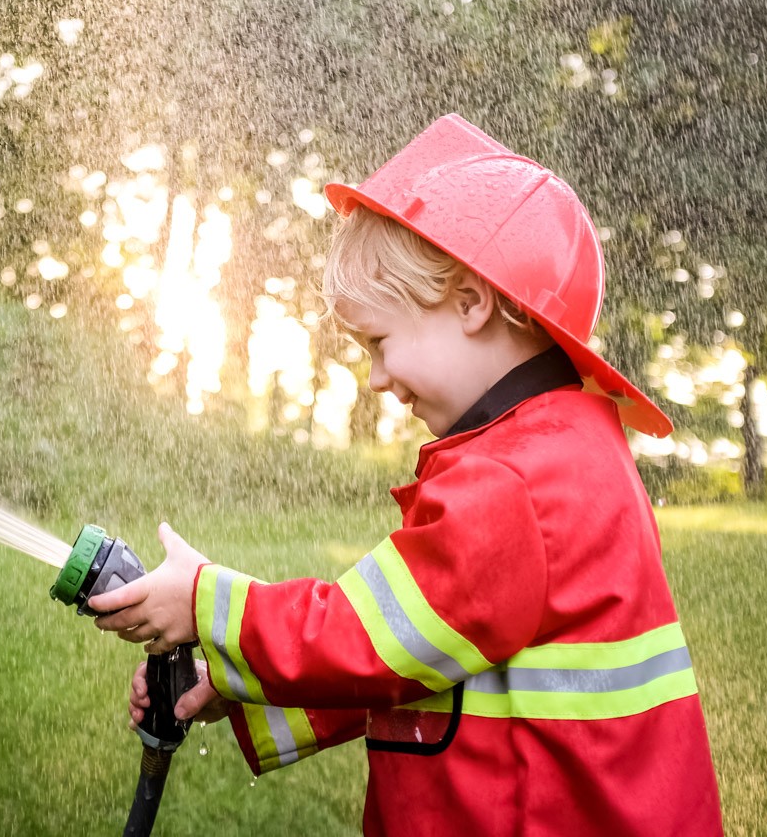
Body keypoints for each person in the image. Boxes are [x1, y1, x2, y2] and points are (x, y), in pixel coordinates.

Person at [88, 114, 724, 836]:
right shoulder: (555, 452)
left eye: (381, 342)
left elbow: (364, 637)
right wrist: (235, 683)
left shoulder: (517, 481)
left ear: (470, 302)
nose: (377, 378)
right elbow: (421, 664)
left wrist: (208, 603)